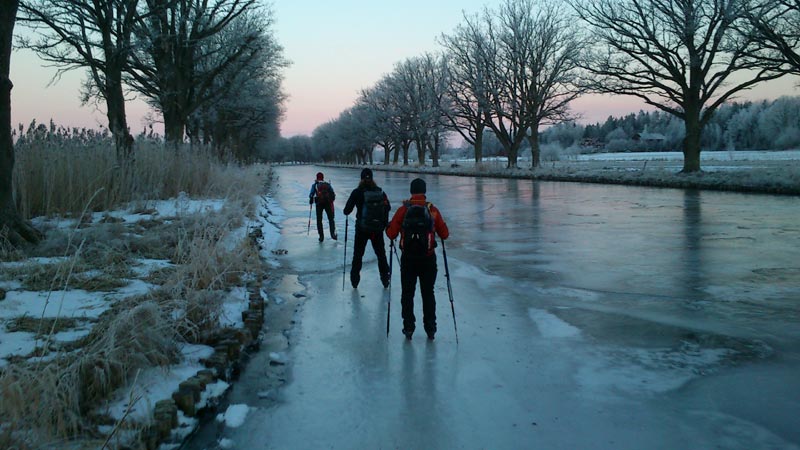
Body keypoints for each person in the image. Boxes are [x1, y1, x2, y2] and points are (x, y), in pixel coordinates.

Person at [386, 178, 449, 341]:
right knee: (428, 293)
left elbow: (391, 233)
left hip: (408, 259)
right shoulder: (432, 210)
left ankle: (408, 327)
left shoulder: (403, 210)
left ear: (411, 191)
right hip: (428, 259)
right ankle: (430, 328)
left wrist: (390, 228)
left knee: (407, 293)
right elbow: (445, 234)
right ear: (425, 191)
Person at [343, 168, 391, 289]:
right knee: (381, 255)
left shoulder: (357, 192)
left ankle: (355, 280)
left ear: (361, 178)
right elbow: (388, 207)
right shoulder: (380, 192)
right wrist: (383, 223)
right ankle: (385, 279)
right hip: (377, 230)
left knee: (358, 255)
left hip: (362, 229)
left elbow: (346, 211)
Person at [308, 172, 337, 242]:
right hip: (328, 203)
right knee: (331, 219)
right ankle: (332, 234)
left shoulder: (315, 185)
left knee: (319, 220)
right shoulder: (327, 184)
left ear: (317, 177)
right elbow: (332, 193)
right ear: (323, 177)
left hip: (319, 203)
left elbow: (311, 194)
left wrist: (311, 200)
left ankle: (321, 236)